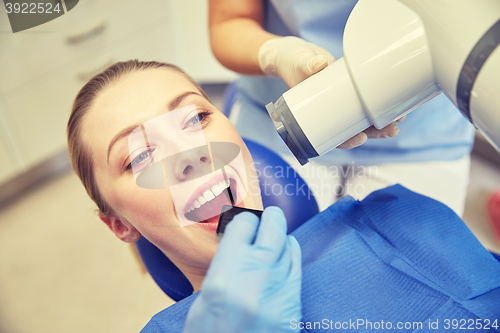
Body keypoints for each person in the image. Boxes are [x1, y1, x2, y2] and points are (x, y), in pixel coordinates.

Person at [67, 60, 499, 333]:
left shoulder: (395, 219)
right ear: (119, 223)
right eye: (140, 155)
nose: (191, 155)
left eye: (197, 117)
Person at [208, 0, 475, 216]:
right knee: (257, 246)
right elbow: (229, 20)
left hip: (425, 132)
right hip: (286, 116)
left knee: (398, 273)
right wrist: (277, 55)